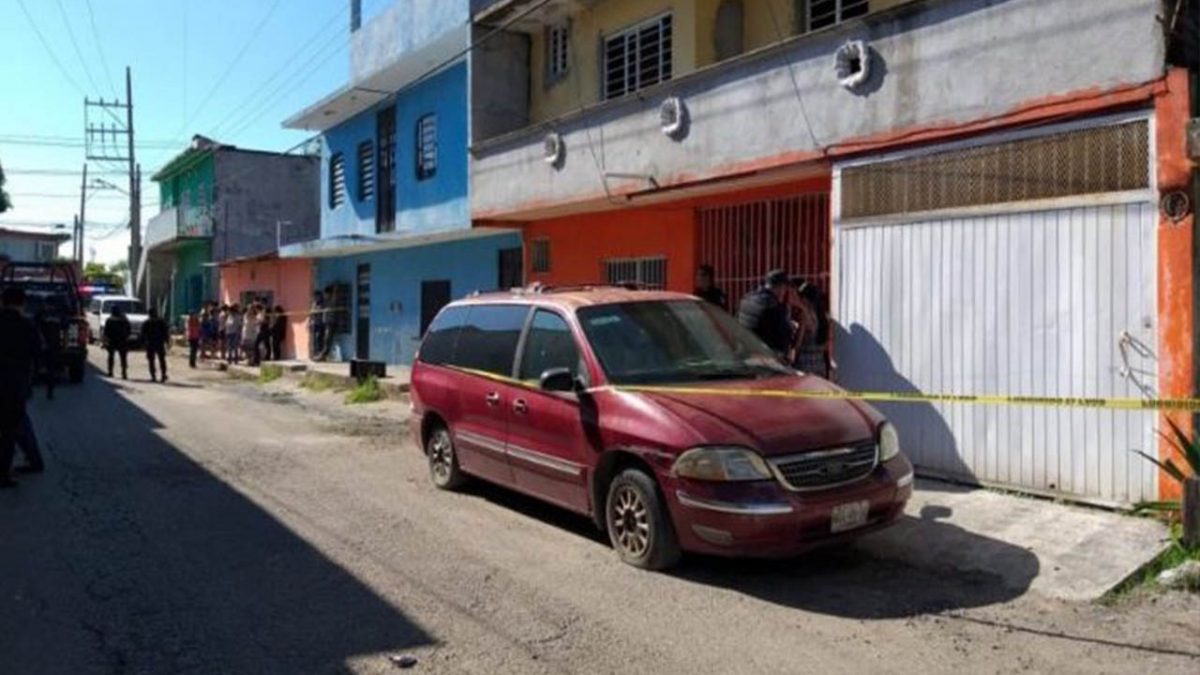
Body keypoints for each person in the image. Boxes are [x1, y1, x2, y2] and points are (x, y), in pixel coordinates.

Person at [0, 286, 40, 488]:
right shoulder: (26, 326)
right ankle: (3, 474)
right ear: (22, 303)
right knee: (8, 431)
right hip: (15, 386)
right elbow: (38, 354)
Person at [737, 269, 794, 357]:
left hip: (745, 351)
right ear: (781, 287)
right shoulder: (774, 305)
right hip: (766, 356)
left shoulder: (746, 299)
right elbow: (782, 335)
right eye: (785, 288)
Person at [103, 305, 132, 379]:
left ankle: (110, 372)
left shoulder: (109, 320)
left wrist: (105, 341)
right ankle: (124, 373)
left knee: (111, 357)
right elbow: (129, 330)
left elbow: (106, 331)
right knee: (123, 358)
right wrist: (126, 337)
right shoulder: (124, 319)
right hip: (122, 341)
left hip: (112, 341)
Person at [142, 308, 169, 383]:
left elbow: (143, 334)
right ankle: (163, 375)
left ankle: (153, 376)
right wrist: (167, 341)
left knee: (151, 361)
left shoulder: (146, 322)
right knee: (162, 360)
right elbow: (165, 332)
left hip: (150, 343)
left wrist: (144, 343)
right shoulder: (161, 321)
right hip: (159, 343)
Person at [309, 291, 326, 361]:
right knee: (314, 339)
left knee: (319, 338)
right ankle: (314, 354)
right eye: (315, 297)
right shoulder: (314, 303)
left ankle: (320, 354)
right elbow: (311, 313)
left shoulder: (323, 303)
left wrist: (316, 311)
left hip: (320, 323)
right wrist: (310, 321)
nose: (316, 298)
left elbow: (321, 312)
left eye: (317, 296)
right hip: (315, 323)